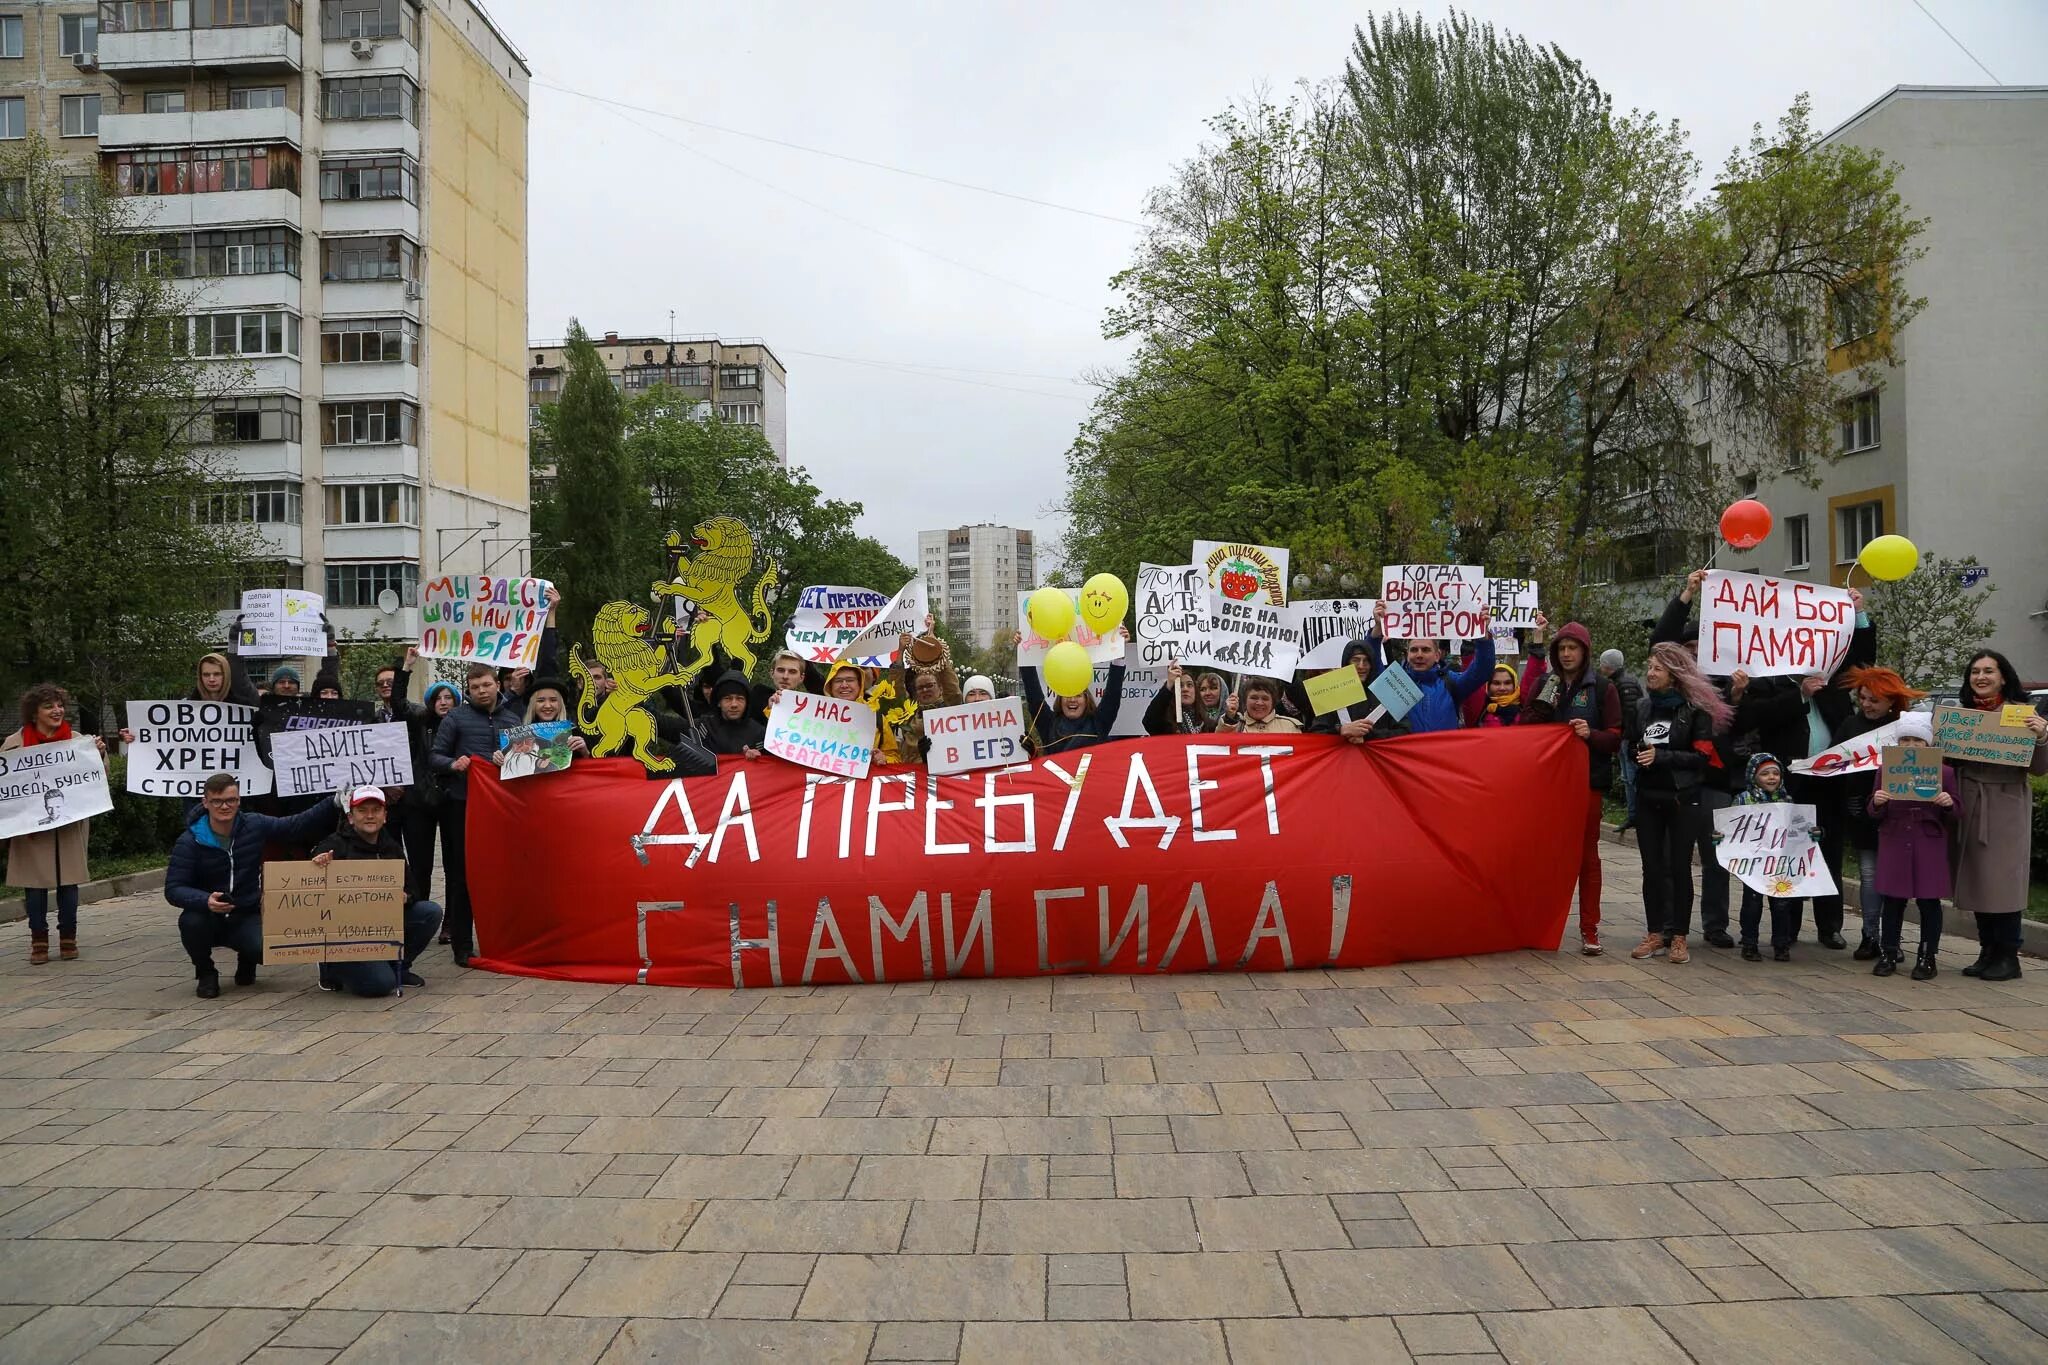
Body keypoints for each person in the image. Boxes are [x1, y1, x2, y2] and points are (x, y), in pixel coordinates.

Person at [164, 772, 340, 998]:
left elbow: (295, 825)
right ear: (205, 802)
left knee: (266, 950)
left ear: (239, 801)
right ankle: (205, 972)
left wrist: (332, 801)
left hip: (246, 912)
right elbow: (174, 888)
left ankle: (247, 958)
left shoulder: (254, 824)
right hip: (207, 915)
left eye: (231, 800)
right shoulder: (189, 841)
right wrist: (204, 900)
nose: (224, 806)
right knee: (190, 922)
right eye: (217, 801)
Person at [1518, 617, 1623, 957]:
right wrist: (1547, 696)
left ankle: (1589, 929)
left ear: (1585, 652)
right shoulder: (1545, 684)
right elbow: (1526, 726)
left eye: (1572, 648)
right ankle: (1540, 926)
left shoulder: (1603, 689)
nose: (1566, 654)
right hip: (1548, 787)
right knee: (1545, 857)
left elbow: (1616, 738)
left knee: (1586, 858)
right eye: (1561, 648)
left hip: (1587, 785)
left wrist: (1590, 734)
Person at [1627, 643, 1731, 965]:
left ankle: (1680, 937)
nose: (1650, 673)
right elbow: (1632, 744)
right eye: (1649, 667)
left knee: (1679, 867)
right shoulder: (1643, 708)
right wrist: (1639, 754)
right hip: (1648, 798)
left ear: (1674, 675)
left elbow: (1701, 758)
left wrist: (1661, 756)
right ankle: (1655, 932)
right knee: (1651, 869)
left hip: (1682, 799)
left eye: (1657, 668)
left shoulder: (1694, 711)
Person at [1951, 650, 2048, 982]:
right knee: (1977, 878)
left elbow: (2038, 768)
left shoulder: (2019, 715)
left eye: (1988, 671)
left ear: (2003, 676)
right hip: (1969, 801)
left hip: (2005, 803)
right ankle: (1987, 950)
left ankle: (2008, 955)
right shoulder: (1962, 716)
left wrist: (2042, 737)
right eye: (1975, 671)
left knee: (2002, 881)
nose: (1981, 677)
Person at [308, 787, 444, 997]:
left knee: (430, 912)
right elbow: (311, 882)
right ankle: (331, 965)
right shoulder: (335, 845)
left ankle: (399, 965)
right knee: (381, 986)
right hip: (347, 935)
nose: (370, 816)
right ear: (351, 817)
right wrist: (318, 863)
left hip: (381, 925)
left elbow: (412, 889)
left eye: (376, 810)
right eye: (362, 810)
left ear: (385, 816)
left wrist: (405, 897)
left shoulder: (392, 848)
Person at [428, 663, 523, 967]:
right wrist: (452, 764)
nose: (481, 691)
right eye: (475, 687)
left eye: (486, 685)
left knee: (501, 875)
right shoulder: (456, 718)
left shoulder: (513, 718)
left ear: (498, 684)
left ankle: (504, 940)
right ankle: (462, 946)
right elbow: (434, 756)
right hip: (462, 805)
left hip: (501, 809)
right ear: (468, 690)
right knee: (461, 877)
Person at [5, 685, 106, 965]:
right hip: (31, 829)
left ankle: (68, 937)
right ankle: (38, 939)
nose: (57, 710)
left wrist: (98, 754)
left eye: (59, 705)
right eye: (49, 706)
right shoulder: (14, 745)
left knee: (68, 882)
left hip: (68, 826)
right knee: (34, 885)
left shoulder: (77, 742)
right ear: (34, 712)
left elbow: (98, 779)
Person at [1833, 667, 1924, 958]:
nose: (1867, 704)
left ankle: (1891, 940)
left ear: (1891, 700)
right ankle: (1870, 935)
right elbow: (1833, 763)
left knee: (1893, 877)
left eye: (1874, 699)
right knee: (1869, 876)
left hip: (1901, 815)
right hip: (1862, 813)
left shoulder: (1905, 729)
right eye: (1863, 698)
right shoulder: (1849, 725)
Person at [1867, 759, 1959, 981]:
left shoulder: (1944, 772)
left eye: (1917, 740)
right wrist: (1877, 803)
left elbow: (1956, 812)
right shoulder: (1887, 770)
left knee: (1929, 901)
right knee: (1893, 900)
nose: (1911, 745)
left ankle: (1928, 956)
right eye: (1905, 739)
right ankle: (1888, 952)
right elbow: (1874, 810)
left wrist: (1948, 804)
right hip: (1896, 839)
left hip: (1928, 842)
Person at [1366, 601, 1495, 733]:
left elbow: (1482, 671)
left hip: (1443, 753)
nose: (1419, 655)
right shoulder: (1396, 682)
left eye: (1426, 650)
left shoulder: (1451, 682)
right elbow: (1372, 664)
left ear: (1437, 655)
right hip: (1406, 753)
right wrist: (1377, 630)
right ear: (1407, 653)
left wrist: (1483, 638)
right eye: (1414, 650)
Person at [1723, 754, 1802, 963]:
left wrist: (1812, 833)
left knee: (1782, 905)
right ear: (1753, 776)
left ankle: (1781, 944)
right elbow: (1730, 827)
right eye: (1765, 773)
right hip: (1754, 864)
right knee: (1752, 903)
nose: (1771, 778)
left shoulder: (1787, 800)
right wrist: (1719, 837)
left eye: (1776, 773)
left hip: (1780, 864)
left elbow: (1798, 828)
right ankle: (1749, 943)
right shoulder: (1743, 800)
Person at [1018, 641, 1127, 754]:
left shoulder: (1098, 723)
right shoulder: (1049, 723)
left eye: (1078, 695)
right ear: (1060, 699)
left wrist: (1119, 652)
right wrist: (1023, 653)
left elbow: (1112, 696)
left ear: (1086, 700)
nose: (1072, 699)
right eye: (1067, 695)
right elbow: (1034, 696)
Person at [1598, 649, 1644, 830]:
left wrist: (1626, 737)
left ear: (1607, 665)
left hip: (1628, 739)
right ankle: (1633, 815)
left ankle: (1639, 816)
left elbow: (1630, 714)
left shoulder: (1623, 685)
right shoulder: (1622, 682)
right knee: (1627, 778)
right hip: (1625, 738)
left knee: (1632, 778)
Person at [697, 670, 767, 757]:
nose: (734, 704)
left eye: (740, 698)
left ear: (747, 703)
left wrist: (758, 757)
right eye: (727, 698)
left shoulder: (759, 733)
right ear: (719, 702)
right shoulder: (703, 726)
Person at [1216, 676, 1302, 734]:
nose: (1259, 703)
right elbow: (1219, 745)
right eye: (1254, 698)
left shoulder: (1290, 727)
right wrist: (1230, 718)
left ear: (1273, 702)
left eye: (1265, 698)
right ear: (1245, 700)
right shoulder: (1231, 725)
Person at [1144, 662, 1211, 735]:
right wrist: (1169, 684)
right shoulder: (1165, 722)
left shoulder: (1206, 723)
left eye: (1189, 685)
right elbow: (1149, 721)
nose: (1185, 689)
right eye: (1180, 685)